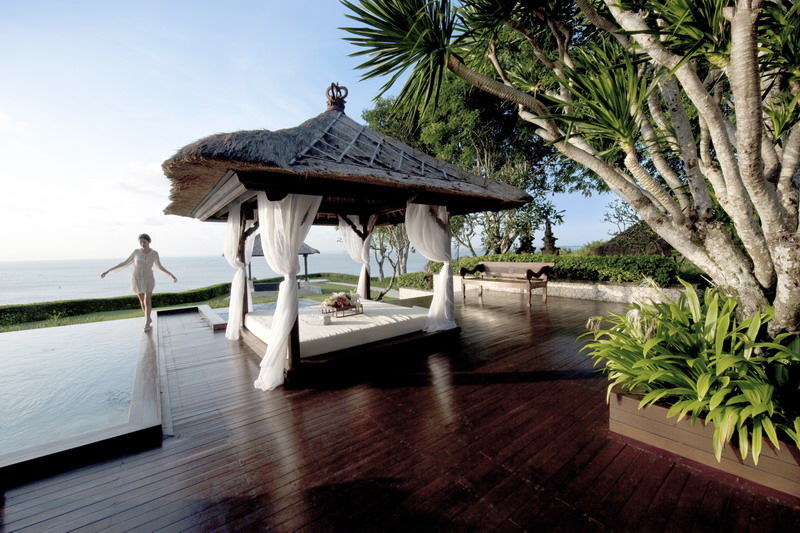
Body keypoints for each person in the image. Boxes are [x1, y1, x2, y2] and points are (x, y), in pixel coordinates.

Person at [101, 233, 177, 332]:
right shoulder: (136, 252)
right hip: (137, 279)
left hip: (149, 279)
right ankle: (148, 318)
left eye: (144, 242)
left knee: (147, 300)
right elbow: (124, 262)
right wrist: (108, 271)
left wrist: (171, 275)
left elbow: (160, 267)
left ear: (149, 241)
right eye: (140, 242)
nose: (142, 244)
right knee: (142, 301)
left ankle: (147, 323)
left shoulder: (154, 253)